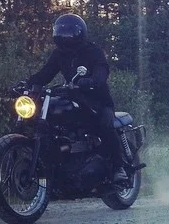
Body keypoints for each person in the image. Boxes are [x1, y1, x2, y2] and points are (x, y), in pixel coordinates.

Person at [25, 13, 128, 185]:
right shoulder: (59, 54)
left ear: (79, 33)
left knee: (105, 124)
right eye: (61, 32)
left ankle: (119, 167)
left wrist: (93, 81)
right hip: (76, 98)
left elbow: (102, 71)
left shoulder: (93, 51)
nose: (64, 37)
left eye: (68, 32)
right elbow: (45, 74)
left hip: (98, 101)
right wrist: (27, 84)